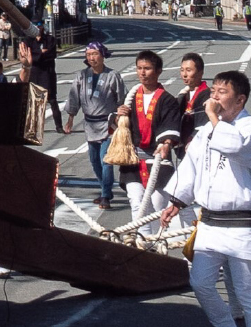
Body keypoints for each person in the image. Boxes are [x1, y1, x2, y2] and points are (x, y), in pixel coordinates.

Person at [157, 71, 251, 327]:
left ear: (241, 99)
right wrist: (176, 202)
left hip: (243, 226)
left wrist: (213, 118)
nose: (216, 96)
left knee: (248, 294)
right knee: (200, 282)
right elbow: (191, 167)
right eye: (215, 90)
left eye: (223, 92)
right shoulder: (208, 131)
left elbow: (236, 147)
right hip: (210, 224)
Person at [116, 50, 183, 224]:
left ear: (158, 71)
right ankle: (141, 242)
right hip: (133, 160)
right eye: (139, 68)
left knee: (157, 206)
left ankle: (155, 243)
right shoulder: (130, 97)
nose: (142, 73)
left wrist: (167, 142)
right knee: (137, 203)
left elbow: (171, 125)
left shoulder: (167, 100)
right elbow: (119, 125)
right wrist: (119, 116)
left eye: (147, 68)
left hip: (158, 159)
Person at [63, 42, 125, 208]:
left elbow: (121, 100)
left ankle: (105, 195)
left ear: (103, 55)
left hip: (108, 123)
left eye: (95, 54)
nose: (91, 58)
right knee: (94, 160)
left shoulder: (113, 75)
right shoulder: (81, 76)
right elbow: (74, 98)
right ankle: (105, 188)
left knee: (106, 160)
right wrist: (70, 120)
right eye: (89, 55)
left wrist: (121, 120)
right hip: (90, 124)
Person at [20, 28, 63, 130]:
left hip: (48, 72)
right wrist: (41, 52)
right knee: (34, 100)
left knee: (52, 100)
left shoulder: (50, 39)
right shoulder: (28, 40)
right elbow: (27, 56)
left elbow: (52, 55)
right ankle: (35, 127)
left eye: (40, 25)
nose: (38, 28)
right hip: (34, 73)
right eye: (35, 26)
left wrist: (36, 55)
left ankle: (59, 126)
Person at [177, 53, 214, 146]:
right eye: (182, 70)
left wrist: (192, 139)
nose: (184, 74)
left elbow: (204, 124)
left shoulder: (207, 95)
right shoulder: (183, 95)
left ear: (200, 73)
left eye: (188, 70)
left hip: (197, 145)